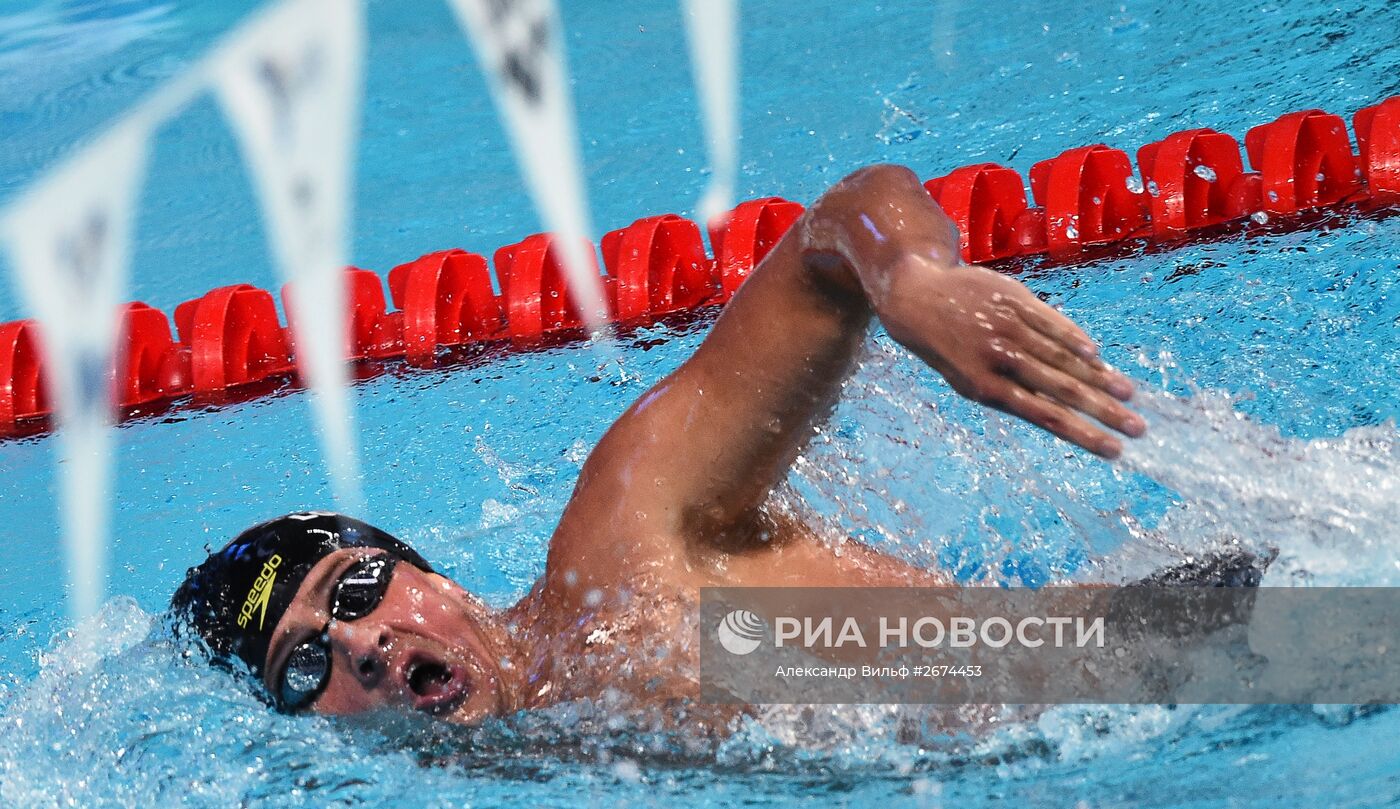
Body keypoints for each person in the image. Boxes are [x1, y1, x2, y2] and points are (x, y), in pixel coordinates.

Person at [171, 164, 1150, 728]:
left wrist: (911, 284)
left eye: (352, 589)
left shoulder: (617, 553)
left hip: (1173, 649)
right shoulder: (549, 751)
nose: (362, 642)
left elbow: (840, 223)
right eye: (303, 665)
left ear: (430, 574)